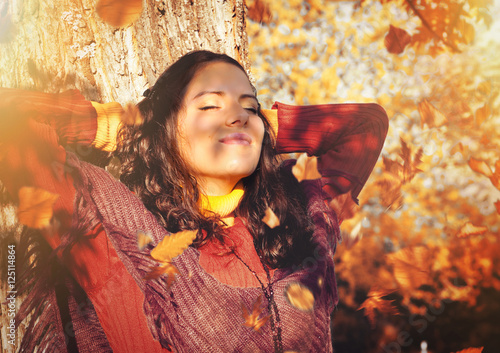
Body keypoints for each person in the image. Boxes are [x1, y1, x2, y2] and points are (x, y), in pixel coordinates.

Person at [0, 50, 388, 352]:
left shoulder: (301, 223)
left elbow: (365, 126)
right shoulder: (124, 242)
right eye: (209, 106)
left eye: (248, 105)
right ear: (167, 130)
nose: (236, 115)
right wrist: (131, 126)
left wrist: (258, 126)